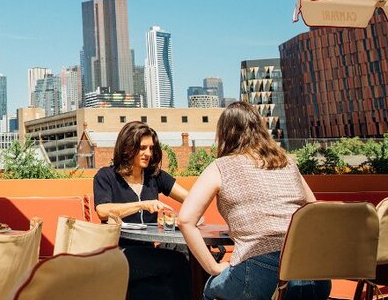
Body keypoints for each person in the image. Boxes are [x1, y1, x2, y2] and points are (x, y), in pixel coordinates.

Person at [177, 102, 331, 300]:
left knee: (210, 290)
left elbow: (185, 220)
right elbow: (315, 210)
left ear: (225, 133)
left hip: (262, 273)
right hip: (313, 272)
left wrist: (213, 267)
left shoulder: (221, 167)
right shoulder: (287, 162)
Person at [94, 121, 191, 300]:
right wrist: (142, 204)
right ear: (127, 147)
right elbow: (102, 210)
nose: (148, 153)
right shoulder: (106, 176)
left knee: (188, 254)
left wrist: (185, 216)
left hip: (148, 251)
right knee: (177, 263)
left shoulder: (155, 176)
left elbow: (191, 198)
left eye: (151, 148)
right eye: (142, 148)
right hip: (118, 254)